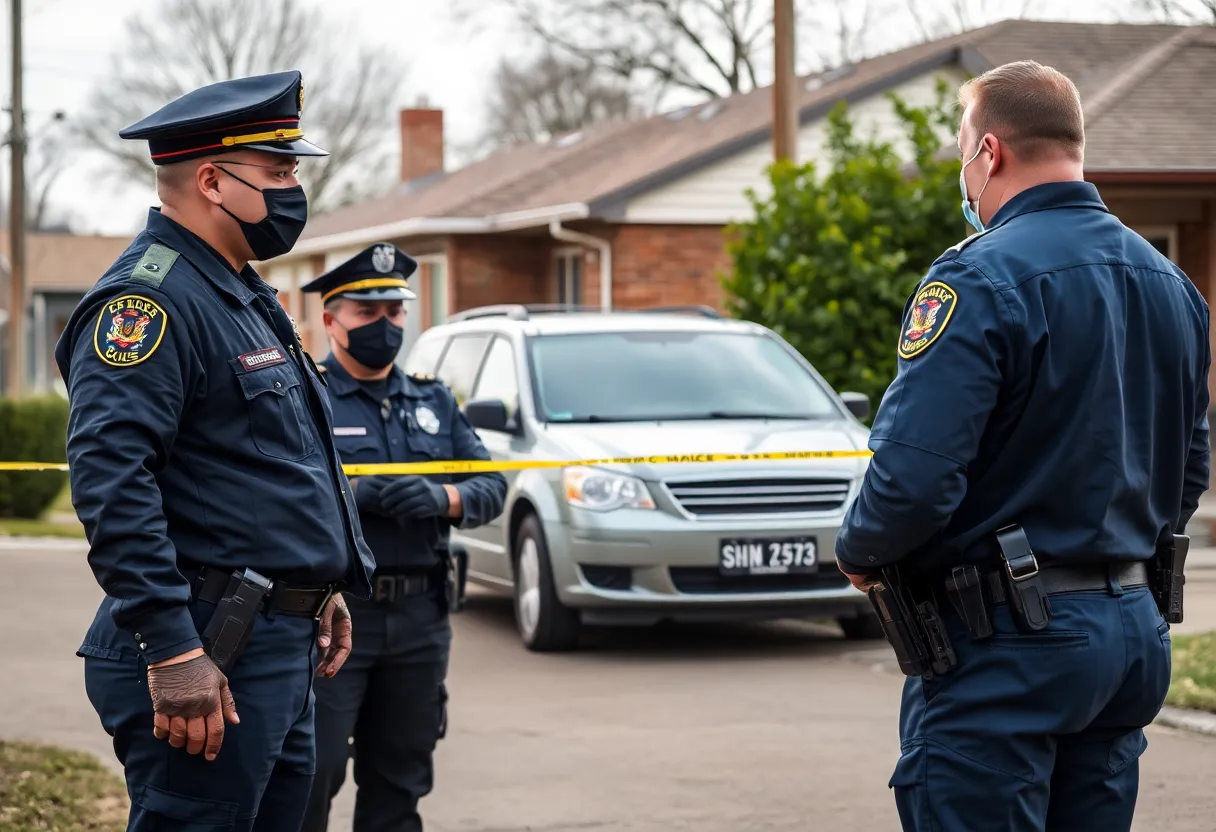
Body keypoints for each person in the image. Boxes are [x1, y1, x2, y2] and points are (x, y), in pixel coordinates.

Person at [834, 60, 1210, 831]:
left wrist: (861, 550)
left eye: (963, 153)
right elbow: (1190, 463)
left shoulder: (976, 280)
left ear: (991, 152)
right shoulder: (1172, 284)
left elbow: (914, 476)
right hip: (1130, 635)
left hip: (1006, 645)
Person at [54, 70, 376, 832]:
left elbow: (264, 464)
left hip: (273, 638)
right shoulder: (148, 302)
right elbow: (110, 480)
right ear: (211, 179)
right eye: (281, 170)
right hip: (208, 647)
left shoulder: (240, 292)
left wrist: (318, 581)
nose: (296, 187)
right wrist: (170, 650)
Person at [299, 243, 508, 832]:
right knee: (313, 774)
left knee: (402, 773)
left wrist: (445, 498)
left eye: (394, 313)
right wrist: (345, 500)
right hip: (336, 618)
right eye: (369, 314)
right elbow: (276, 491)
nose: (385, 326)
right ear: (331, 318)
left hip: (420, 616)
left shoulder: (433, 400)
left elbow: (491, 483)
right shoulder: (308, 398)